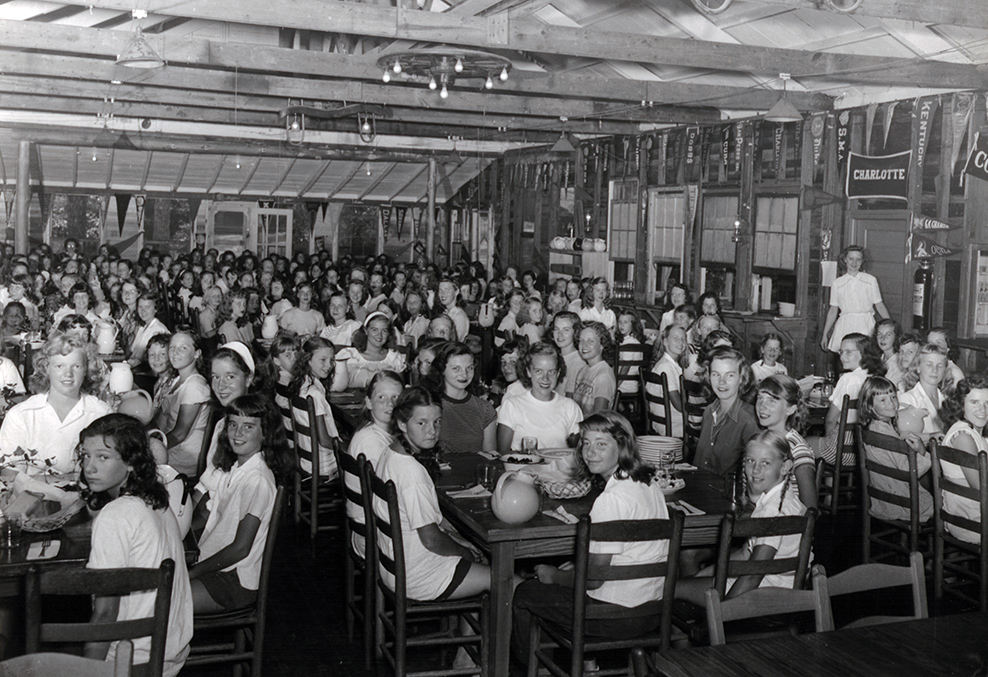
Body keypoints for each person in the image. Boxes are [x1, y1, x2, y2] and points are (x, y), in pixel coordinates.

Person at [512, 411, 670, 661]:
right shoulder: (649, 485)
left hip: (612, 617)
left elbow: (593, 581)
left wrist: (554, 576)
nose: (590, 452)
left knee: (524, 592)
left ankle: (530, 669)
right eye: (586, 443)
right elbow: (624, 557)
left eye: (601, 444)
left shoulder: (610, 500)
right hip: (651, 612)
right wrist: (578, 566)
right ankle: (586, 666)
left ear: (622, 446)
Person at [81, 414, 193, 677]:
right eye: (86, 455)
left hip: (132, 659)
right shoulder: (156, 499)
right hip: (168, 650)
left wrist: (86, 672)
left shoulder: (115, 516)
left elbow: (106, 613)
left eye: (103, 457)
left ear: (131, 462)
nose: (89, 467)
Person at [677, 430, 808, 602]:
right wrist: (703, 574)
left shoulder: (772, 512)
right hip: (779, 587)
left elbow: (753, 576)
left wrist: (725, 610)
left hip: (768, 594)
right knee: (688, 581)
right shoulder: (786, 499)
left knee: (671, 589)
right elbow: (746, 553)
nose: (755, 470)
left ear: (785, 467)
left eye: (766, 463)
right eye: (750, 461)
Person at [190, 394, 292, 612]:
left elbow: (240, 548)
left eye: (248, 427)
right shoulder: (236, 467)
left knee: (160, 600)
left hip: (235, 580)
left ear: (265, 433)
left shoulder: (257, 480)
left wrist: (192, 572)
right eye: (233, 425)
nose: (237, 433)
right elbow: (214, 516)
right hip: (219, 566)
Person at [0, 334, 112, 477]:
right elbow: (11, 476)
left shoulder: (102, 414)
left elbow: (108, 473)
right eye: (59, 366)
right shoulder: (21, 415)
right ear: (46, 368)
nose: (68, 373)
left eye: (76, 366)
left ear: (86, 370)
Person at [858, 376, 933, 523]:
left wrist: (909, 437)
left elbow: (896, 440)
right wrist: (922, 452)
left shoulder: (874, 427)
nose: (891, 403)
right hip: (901, 503)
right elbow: (910, 471)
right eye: (883, 400)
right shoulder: (886, 435)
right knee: (942, 499)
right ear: (870, 405)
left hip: (882, 498)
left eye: (893, 397)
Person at [809, 333, 885, 466]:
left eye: (848, 352)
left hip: (843, 450)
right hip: (867, 451)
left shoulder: (848, 378)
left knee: (799, 444)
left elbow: (831, 419)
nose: (842, 356)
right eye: (841, 351)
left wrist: (828, 439)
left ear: (864, 354)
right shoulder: (876, 377)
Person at [496, 341, 583, 453]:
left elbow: (578, 453)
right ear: (528, 372)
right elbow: (503, 454)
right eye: (538, 371)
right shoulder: (511, 405)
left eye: (551, 372)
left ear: (558, 373)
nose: (545, 378)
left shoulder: (571, 407)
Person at [693, 346, 759, 478]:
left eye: (729, 375)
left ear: (742, 378)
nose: (721, 382)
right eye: (716, 374)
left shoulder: (749, 420)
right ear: (708, 377)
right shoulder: (708, 412)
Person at [938, 375, 988, 543]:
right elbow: (981, 486)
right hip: (971, 521)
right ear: (960, 404)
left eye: (987, 403)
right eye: (974, 402)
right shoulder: (963, 437)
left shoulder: (972, 431)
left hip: (971, 514)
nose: (983, 409)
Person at [754, 375, 817, 510]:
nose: (762, 406)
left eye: (771, 401)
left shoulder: (797, 449)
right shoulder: (763, 440)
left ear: (790, 409)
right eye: (760, 398)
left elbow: (811, 509)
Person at [155, 330, 211, 477]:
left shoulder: (194, 386)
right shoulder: (175, 381)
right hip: (170, 447)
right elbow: (161, 421)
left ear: (197, 353)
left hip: (183, 456)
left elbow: (180, 434)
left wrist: (153, 448)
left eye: (183, 348)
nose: (175, 353)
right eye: (172, 347)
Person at [424, 342, 496, 454]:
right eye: (456, 368)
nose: (464, 375)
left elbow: (490, 456)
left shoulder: (485, 409)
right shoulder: (428, 404)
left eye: (469, 368)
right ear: (442, 370)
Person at [821, 245, 890, 353]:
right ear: (845, 259)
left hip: (866, 324)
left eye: (858, 259)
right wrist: (825, 334)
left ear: (862, 261)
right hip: (845, 325)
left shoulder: (870, 280)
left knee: (865, 355)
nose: (854, 263)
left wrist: (890, 327)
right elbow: (833, 310)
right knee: (846, 355)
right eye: (851, 259)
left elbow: (879, 305)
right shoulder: (837, 283)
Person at [289, 337, 341, 480]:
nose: (329, 365)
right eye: (323, 360)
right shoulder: (314, 394)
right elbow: (324, 440)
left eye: (331, 360)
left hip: (307, 461)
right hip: (324, 465)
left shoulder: (301, 385)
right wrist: (348, 448)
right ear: (308, 360)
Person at [333, 312, 407, 391]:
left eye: (384, 331)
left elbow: (400, 388)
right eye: (374, 330)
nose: (379, 335)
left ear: (389, 333)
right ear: (365, 331)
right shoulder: (349, 355)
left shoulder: (394, 357)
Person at [898, 343, 950, 439]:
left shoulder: (948, 399)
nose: (935, 370)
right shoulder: (907, 400)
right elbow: (902, 435)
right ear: (918, 367)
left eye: (940, 366)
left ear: (945, 370)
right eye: (929, 365)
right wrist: (930, 436)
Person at [646, 325, 686, 438]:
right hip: (673, 425)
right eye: (675, 338)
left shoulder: (667, 363)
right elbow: (678, 405)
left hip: (663, 422)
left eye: (683, 339)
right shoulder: (666, 367)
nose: (680, 342)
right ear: (665, 341)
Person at [572, 321, 617, 417]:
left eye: (591, 341)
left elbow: (599, 417)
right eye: (581, 340)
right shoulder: (583, 371)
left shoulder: (604, 376)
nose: (584, 345)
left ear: (602, 345)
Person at [128, 293, 168, 367]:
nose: (143, 310)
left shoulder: (158, 330)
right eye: (140, 307)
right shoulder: (142, 327)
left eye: (147, 307)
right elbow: (133, 351)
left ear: (155, 309)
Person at [551, 311, 584, 398]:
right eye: (556, 329)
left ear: (575, 332)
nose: (559, 334)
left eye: (566, 330)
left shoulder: (577, 362)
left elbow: (570, 399)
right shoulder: (555, 356)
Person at [614, 310, 646, 397]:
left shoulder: (629, 344)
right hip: (632, 384)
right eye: (619, 322)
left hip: (625, 385)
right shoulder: (634, 341)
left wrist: (614, 386)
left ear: (633, 324)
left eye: (625, 322)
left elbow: (625, 368)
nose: (622, 325)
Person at [436, 277, 470, 342]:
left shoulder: (459, 316)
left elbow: (454, 343)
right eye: (440, 290)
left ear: (456, 292)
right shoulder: (445, 312)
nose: (443, 294)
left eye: (447, 290)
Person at [875, 319, 904, 385]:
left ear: (896, 337)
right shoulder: (878, 358)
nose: (882, 338)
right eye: (879, 334)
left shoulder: (899, 364)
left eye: (888, 334)